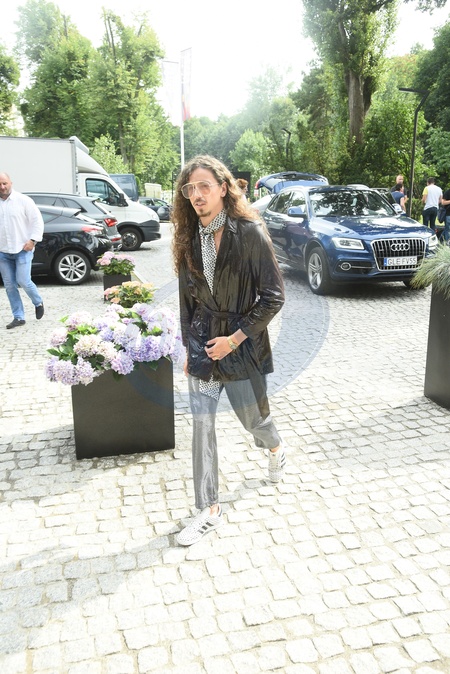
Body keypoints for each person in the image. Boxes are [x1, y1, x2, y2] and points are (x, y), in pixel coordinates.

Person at [172, 155, 285, 546]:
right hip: (204, 345)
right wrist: (189, 349)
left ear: (223, 187)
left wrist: (234, 339)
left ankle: (274, 447)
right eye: (190, 189)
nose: (196, 194)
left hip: (241, 347)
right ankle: (209, 510)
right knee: (202, 425)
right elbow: (187, 302)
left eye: (204, 186)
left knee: (253, 420)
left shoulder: (250, 232)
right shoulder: (187, 238)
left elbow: (273, 297)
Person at [0, 172, 44, 329]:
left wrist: (33, 240)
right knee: (9, 285)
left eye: (4, 183)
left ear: (11, 183)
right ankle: (18, 317)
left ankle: (38, 302)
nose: (2, 187)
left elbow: (37, 221)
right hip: (3, 252)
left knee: (23, 280)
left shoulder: (23, 201)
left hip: (22, 249)